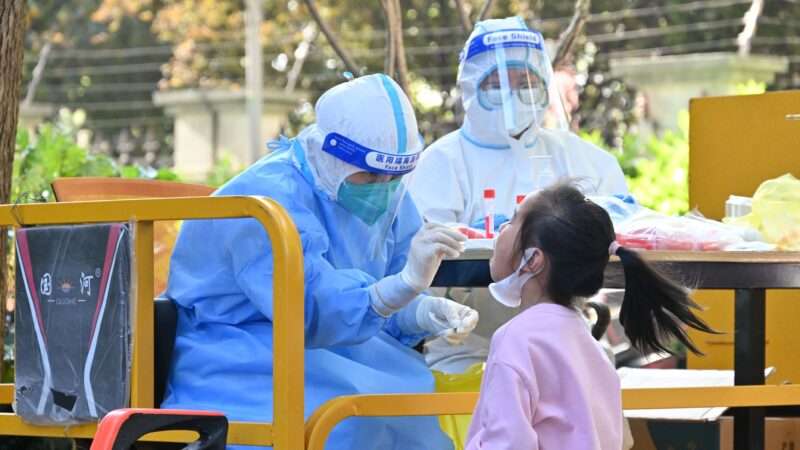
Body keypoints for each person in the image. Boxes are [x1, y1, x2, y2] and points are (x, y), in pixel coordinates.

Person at [161, 74, 479, 450]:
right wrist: (405, 285)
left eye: (395, 175)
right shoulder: (264, 200)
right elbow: (308, 310)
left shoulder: (388, 195)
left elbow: (379, 296)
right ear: (330, 153)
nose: (384, 186)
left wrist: (419, 311)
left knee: (412, 406)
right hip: (238, 350)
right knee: (348, 425)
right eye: (371, 174)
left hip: (337, 350)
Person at [408, 16, 630, 374]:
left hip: (568, 346)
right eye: (495, 83)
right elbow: (423, 260)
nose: (513, 94)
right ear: (470, 86)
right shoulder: (441, 164)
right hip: (466, 355)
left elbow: (623, 227)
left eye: (525, 81)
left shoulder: (582, 159)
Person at [465, 183, 716, 450]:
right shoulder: (588, 340)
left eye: (514, 221)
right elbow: (621, 438)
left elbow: (507, 443)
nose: (502, 229)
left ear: (533, 259)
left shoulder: (515, 340)